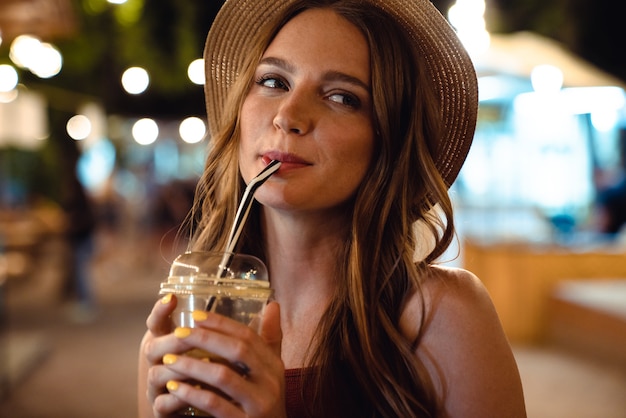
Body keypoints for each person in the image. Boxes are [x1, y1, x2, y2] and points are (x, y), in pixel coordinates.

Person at [138, 0, 527, 417]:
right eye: (273, 81)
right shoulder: (185, 324)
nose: (288, 116)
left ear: (387, 141)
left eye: (341, 97)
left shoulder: (444, 317)